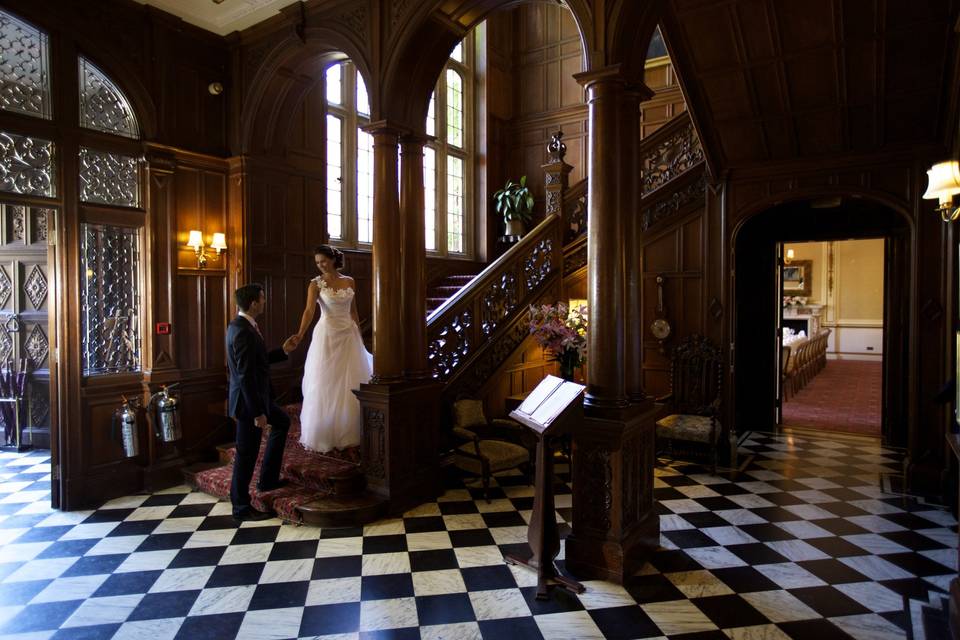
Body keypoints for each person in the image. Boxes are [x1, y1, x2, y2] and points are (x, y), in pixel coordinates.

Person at [287, 245, 372, 452]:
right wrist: (300, 333)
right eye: (317, 262)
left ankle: (349, 428)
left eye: (323, 261)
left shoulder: (349, 281)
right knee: (326, 381)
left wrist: (359, 335)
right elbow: (308, 311)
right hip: (327, 335)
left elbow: (353, 310)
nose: (320, 265)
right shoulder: (315, 284)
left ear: (333, 259)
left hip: (348, 334)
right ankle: (325, 430)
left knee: (349, 380)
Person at [227, 283, 298, 523]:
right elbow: (246, 375)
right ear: (254, 302)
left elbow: (258, 362)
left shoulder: (244, 326)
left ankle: (267, 479)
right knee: (246, 455)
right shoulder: (243, 331)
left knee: (282, 421)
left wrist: (282, 351)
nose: (265, 302)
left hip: (259, 399)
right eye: (263, 298)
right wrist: (257, 412)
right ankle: (240, 506)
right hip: (250, 404)